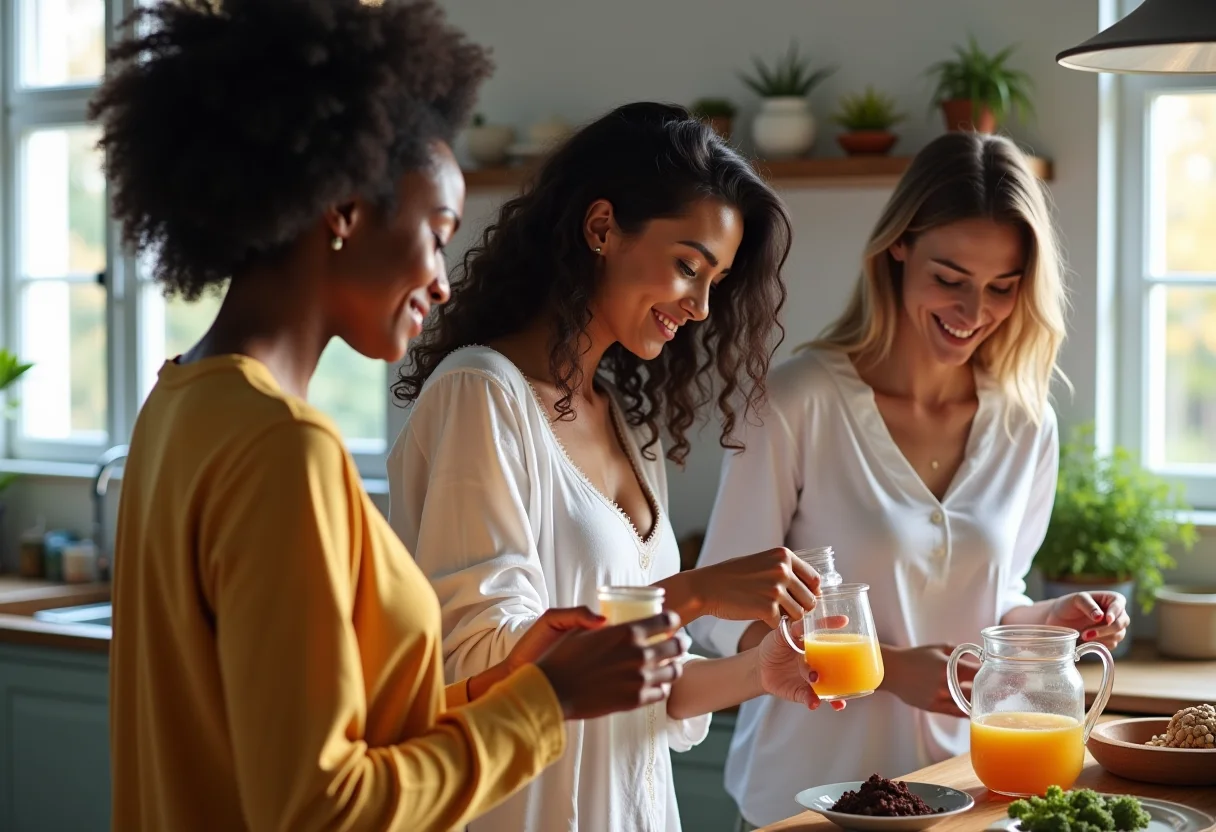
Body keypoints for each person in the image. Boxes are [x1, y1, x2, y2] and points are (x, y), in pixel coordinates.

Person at [96, 3, 690, 831]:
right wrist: (547, 703)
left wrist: (506, 682)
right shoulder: (284, 449)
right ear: (343, 210)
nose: (444, 280)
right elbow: (320, 807)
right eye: (438, 230)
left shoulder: (177, 405)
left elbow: (299, 741)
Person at [388, 102, 842, 832]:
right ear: (601, 228)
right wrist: (693, 593)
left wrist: (759, 673)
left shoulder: (629, 426)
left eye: (715, 282)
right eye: (688, 266)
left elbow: (652, 692)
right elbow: (478, 660)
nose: (699, 307)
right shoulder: (482, 394)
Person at [688, 131, 1133, 829]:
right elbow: (719, 619)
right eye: (949, 278)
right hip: (809, 804)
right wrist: (891, 669)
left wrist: (1046, 624)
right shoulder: (795, 402)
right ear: (898, 248)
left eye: (1002, 287)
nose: (973, 311)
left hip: (963, 797)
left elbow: (989, 598)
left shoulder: (1025, 423)